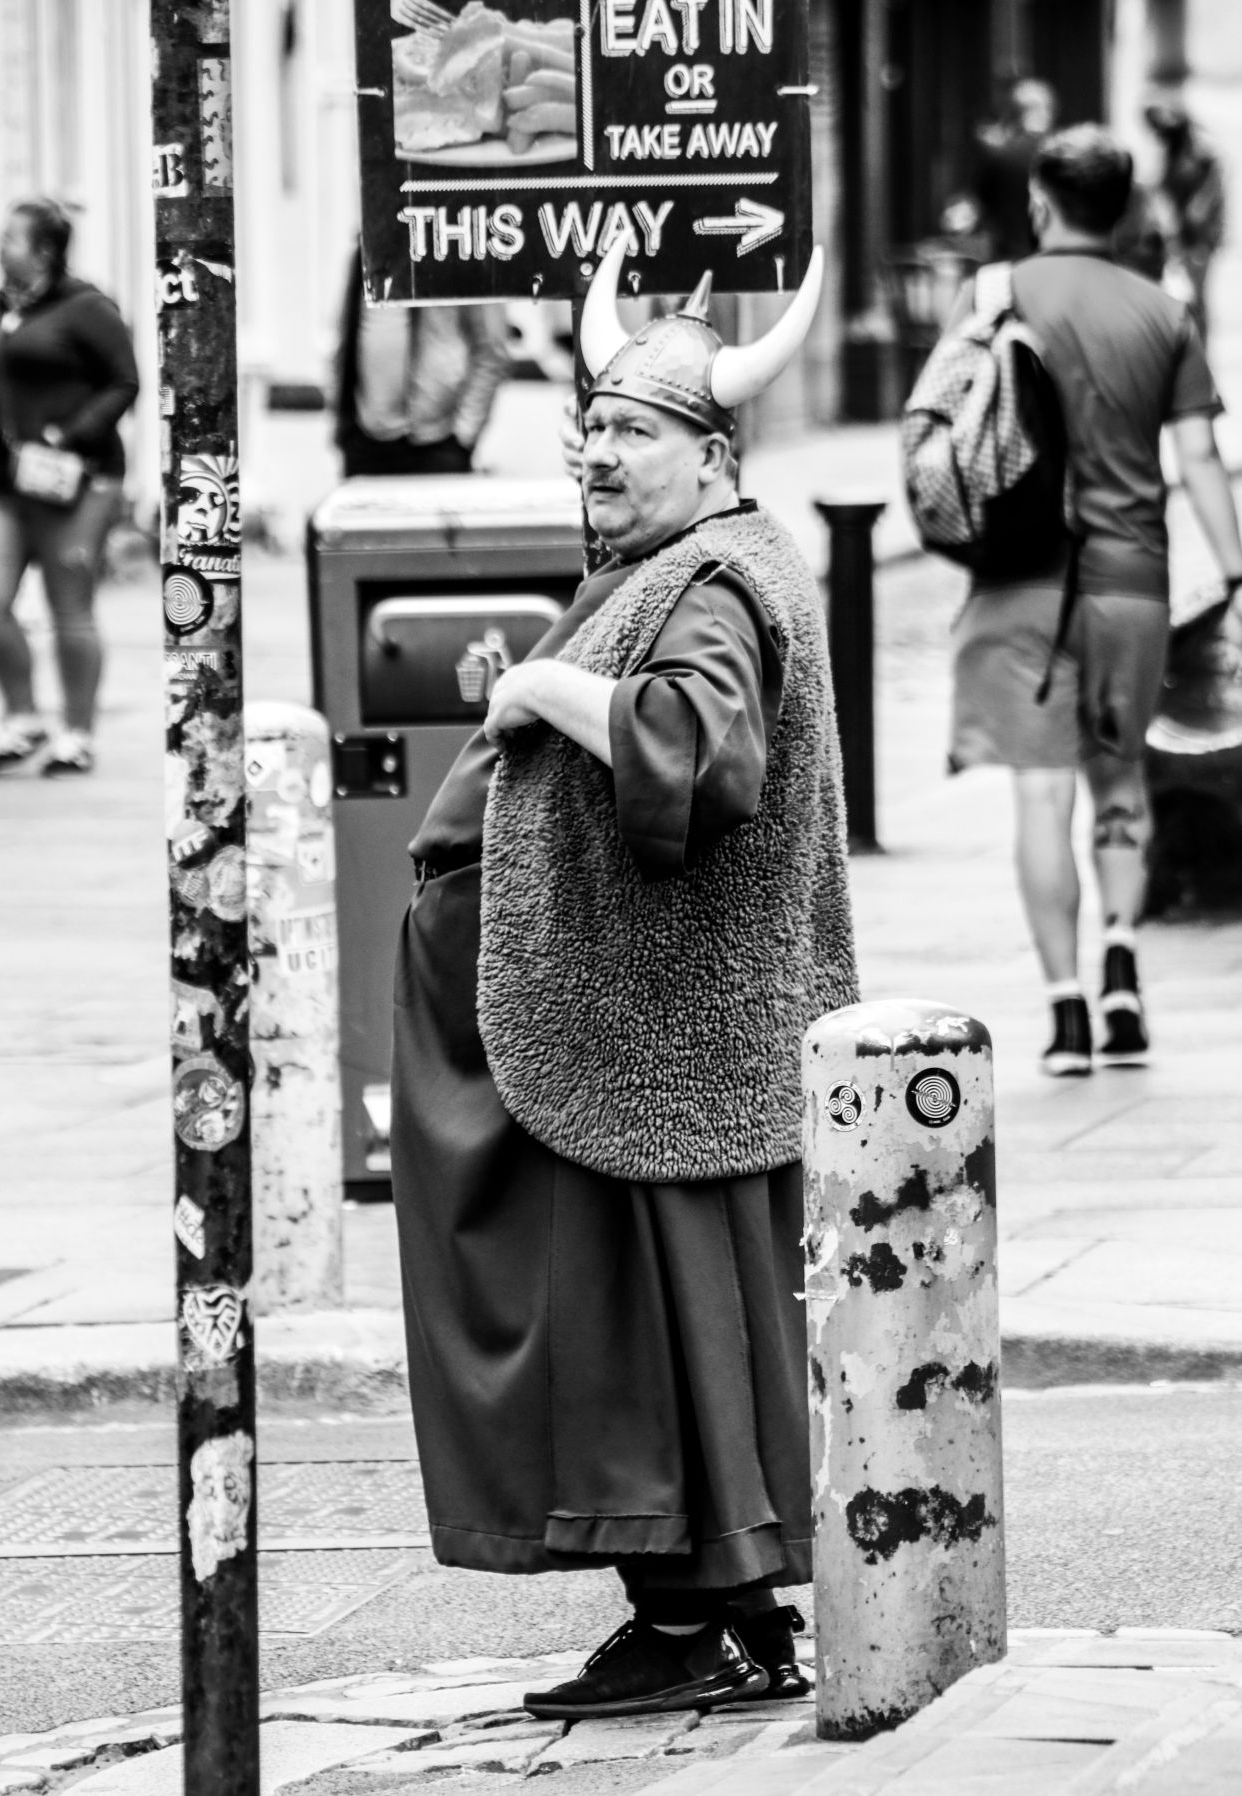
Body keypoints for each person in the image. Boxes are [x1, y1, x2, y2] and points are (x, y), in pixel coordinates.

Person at [390, 241, 859, 1720]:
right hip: (617, 1021)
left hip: (642, 1032)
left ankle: (707, 1617)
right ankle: (710, 1614)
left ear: (713, 457)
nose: (598, 451)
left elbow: (698, 756)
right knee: (654, 1328)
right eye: (589, 426)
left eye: (633, 433)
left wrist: (536, 690)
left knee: (641, 1331)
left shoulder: (713, 581)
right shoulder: (683, 559)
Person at [947, 125, 1242, 1075]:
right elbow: (1198, 458)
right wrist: (1237, 577)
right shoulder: (1162, 313)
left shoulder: (994, 294)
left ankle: (1065, 1011)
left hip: (1018, 583)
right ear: (1124, 209)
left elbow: (949, 426)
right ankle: (1122, 965)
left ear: (1040, 202)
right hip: (1130, 584)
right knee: (1117, 786)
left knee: (1041, 796)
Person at [0, 198, 138, 776]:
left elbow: (124, 382)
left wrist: (67, 435)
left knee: (68, 606)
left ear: (45, 250)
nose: (0, 247)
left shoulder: (87, 309)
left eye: (11, 239)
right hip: (4, 483)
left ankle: (77, 734)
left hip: (78, 481)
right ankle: (24, 718)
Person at [331, 244, 509, 476]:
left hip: (439, 441)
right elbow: (346, 339)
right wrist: (345, 428)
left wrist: (463, 437)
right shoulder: (369, 246)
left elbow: (491, 351)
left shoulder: (465, 246)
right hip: (368, 438)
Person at [946, 79, 1059, 263]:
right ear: (1047, 111)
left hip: (1008, 260)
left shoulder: (1000, 157)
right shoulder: (1062, 155)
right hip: (1054, 261)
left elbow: (978, 209)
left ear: (1012, 114)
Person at [1143, 94, 1225, 345]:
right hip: (1180, 231)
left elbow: (1213, 185)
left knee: (1197, 294)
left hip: (1200, 234)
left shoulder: (1201, 147)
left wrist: (1197, 209)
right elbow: (1162, 186)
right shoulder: (1172, 149)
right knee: (1184, 292)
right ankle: (1190, 343)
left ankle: (1202, 344)